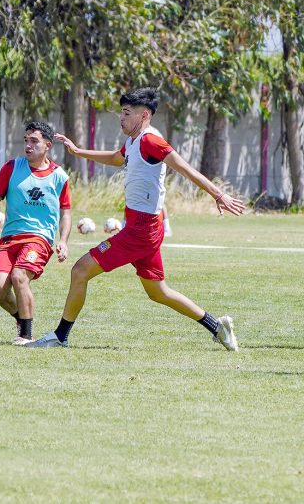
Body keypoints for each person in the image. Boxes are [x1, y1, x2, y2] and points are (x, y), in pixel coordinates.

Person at [27, 87, 245, 350]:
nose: (121, 117)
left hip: (141, 231)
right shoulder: (133, 140)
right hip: (142, 227)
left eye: (127, 113)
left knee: (80, 270)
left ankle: (60, 336)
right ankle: (217, 326)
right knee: (158, 292)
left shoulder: (151, 141)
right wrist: (78, 151)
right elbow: (116, 158)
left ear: (144, 115)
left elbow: (185, 169)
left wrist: (218, 195)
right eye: (121, 111)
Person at [0, 121, 71, 345]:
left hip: (39, 238)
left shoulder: (60, 176)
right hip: (10, 237)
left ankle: (26, 336)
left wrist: (63, 241)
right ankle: (21, 319)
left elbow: (66, 212)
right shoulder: (12, 168)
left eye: (34, 141)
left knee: (19, 276)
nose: (28, 145)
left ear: (47, 145)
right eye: (26, 140)